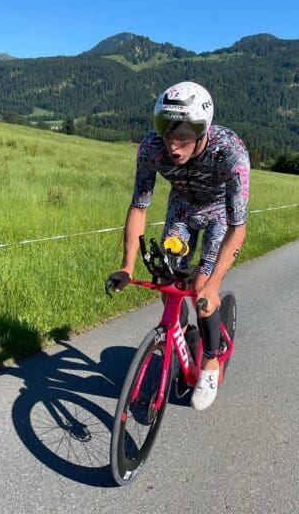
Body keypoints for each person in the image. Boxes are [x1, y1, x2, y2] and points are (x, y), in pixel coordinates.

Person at [106, 81, 250, 411]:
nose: (173, 145)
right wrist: (127, 267)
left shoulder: (230, 152)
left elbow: (237, 230)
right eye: (166, 131)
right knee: (166, 277)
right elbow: (139, 207)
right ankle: (181, 331)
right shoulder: (151, 148)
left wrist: (212, 285)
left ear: (202, 131)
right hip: (182, 210)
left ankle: (211, 362)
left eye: (183, 135)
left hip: (219, 215)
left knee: (201, 287)